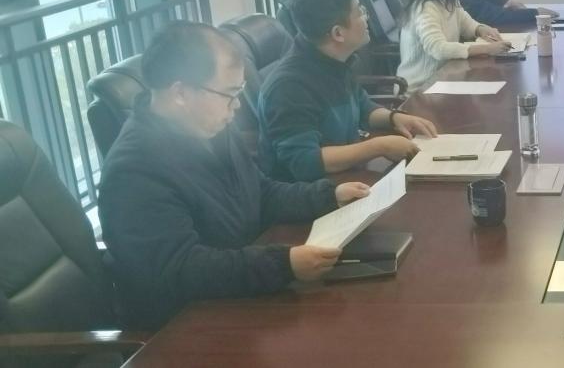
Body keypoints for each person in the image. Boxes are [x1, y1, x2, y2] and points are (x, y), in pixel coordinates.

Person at [99, 22, 372, 330]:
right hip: (189, 329)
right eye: (229, 94)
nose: (237, 105)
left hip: (239, 296)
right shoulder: (134, 172)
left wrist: (328, 196)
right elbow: (181, 271)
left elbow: (259, 192)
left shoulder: (209, 127)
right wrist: (283, 264)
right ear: (181, 93)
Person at [258, 0, 438, 182]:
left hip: (347, 177)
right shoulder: (288, 88)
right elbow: (305, 162)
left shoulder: (333, 60)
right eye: (360, 12)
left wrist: (394, 118)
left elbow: (363, 107)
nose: (367, 17)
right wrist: (380, 146)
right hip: (311, 192)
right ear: (338, 33)